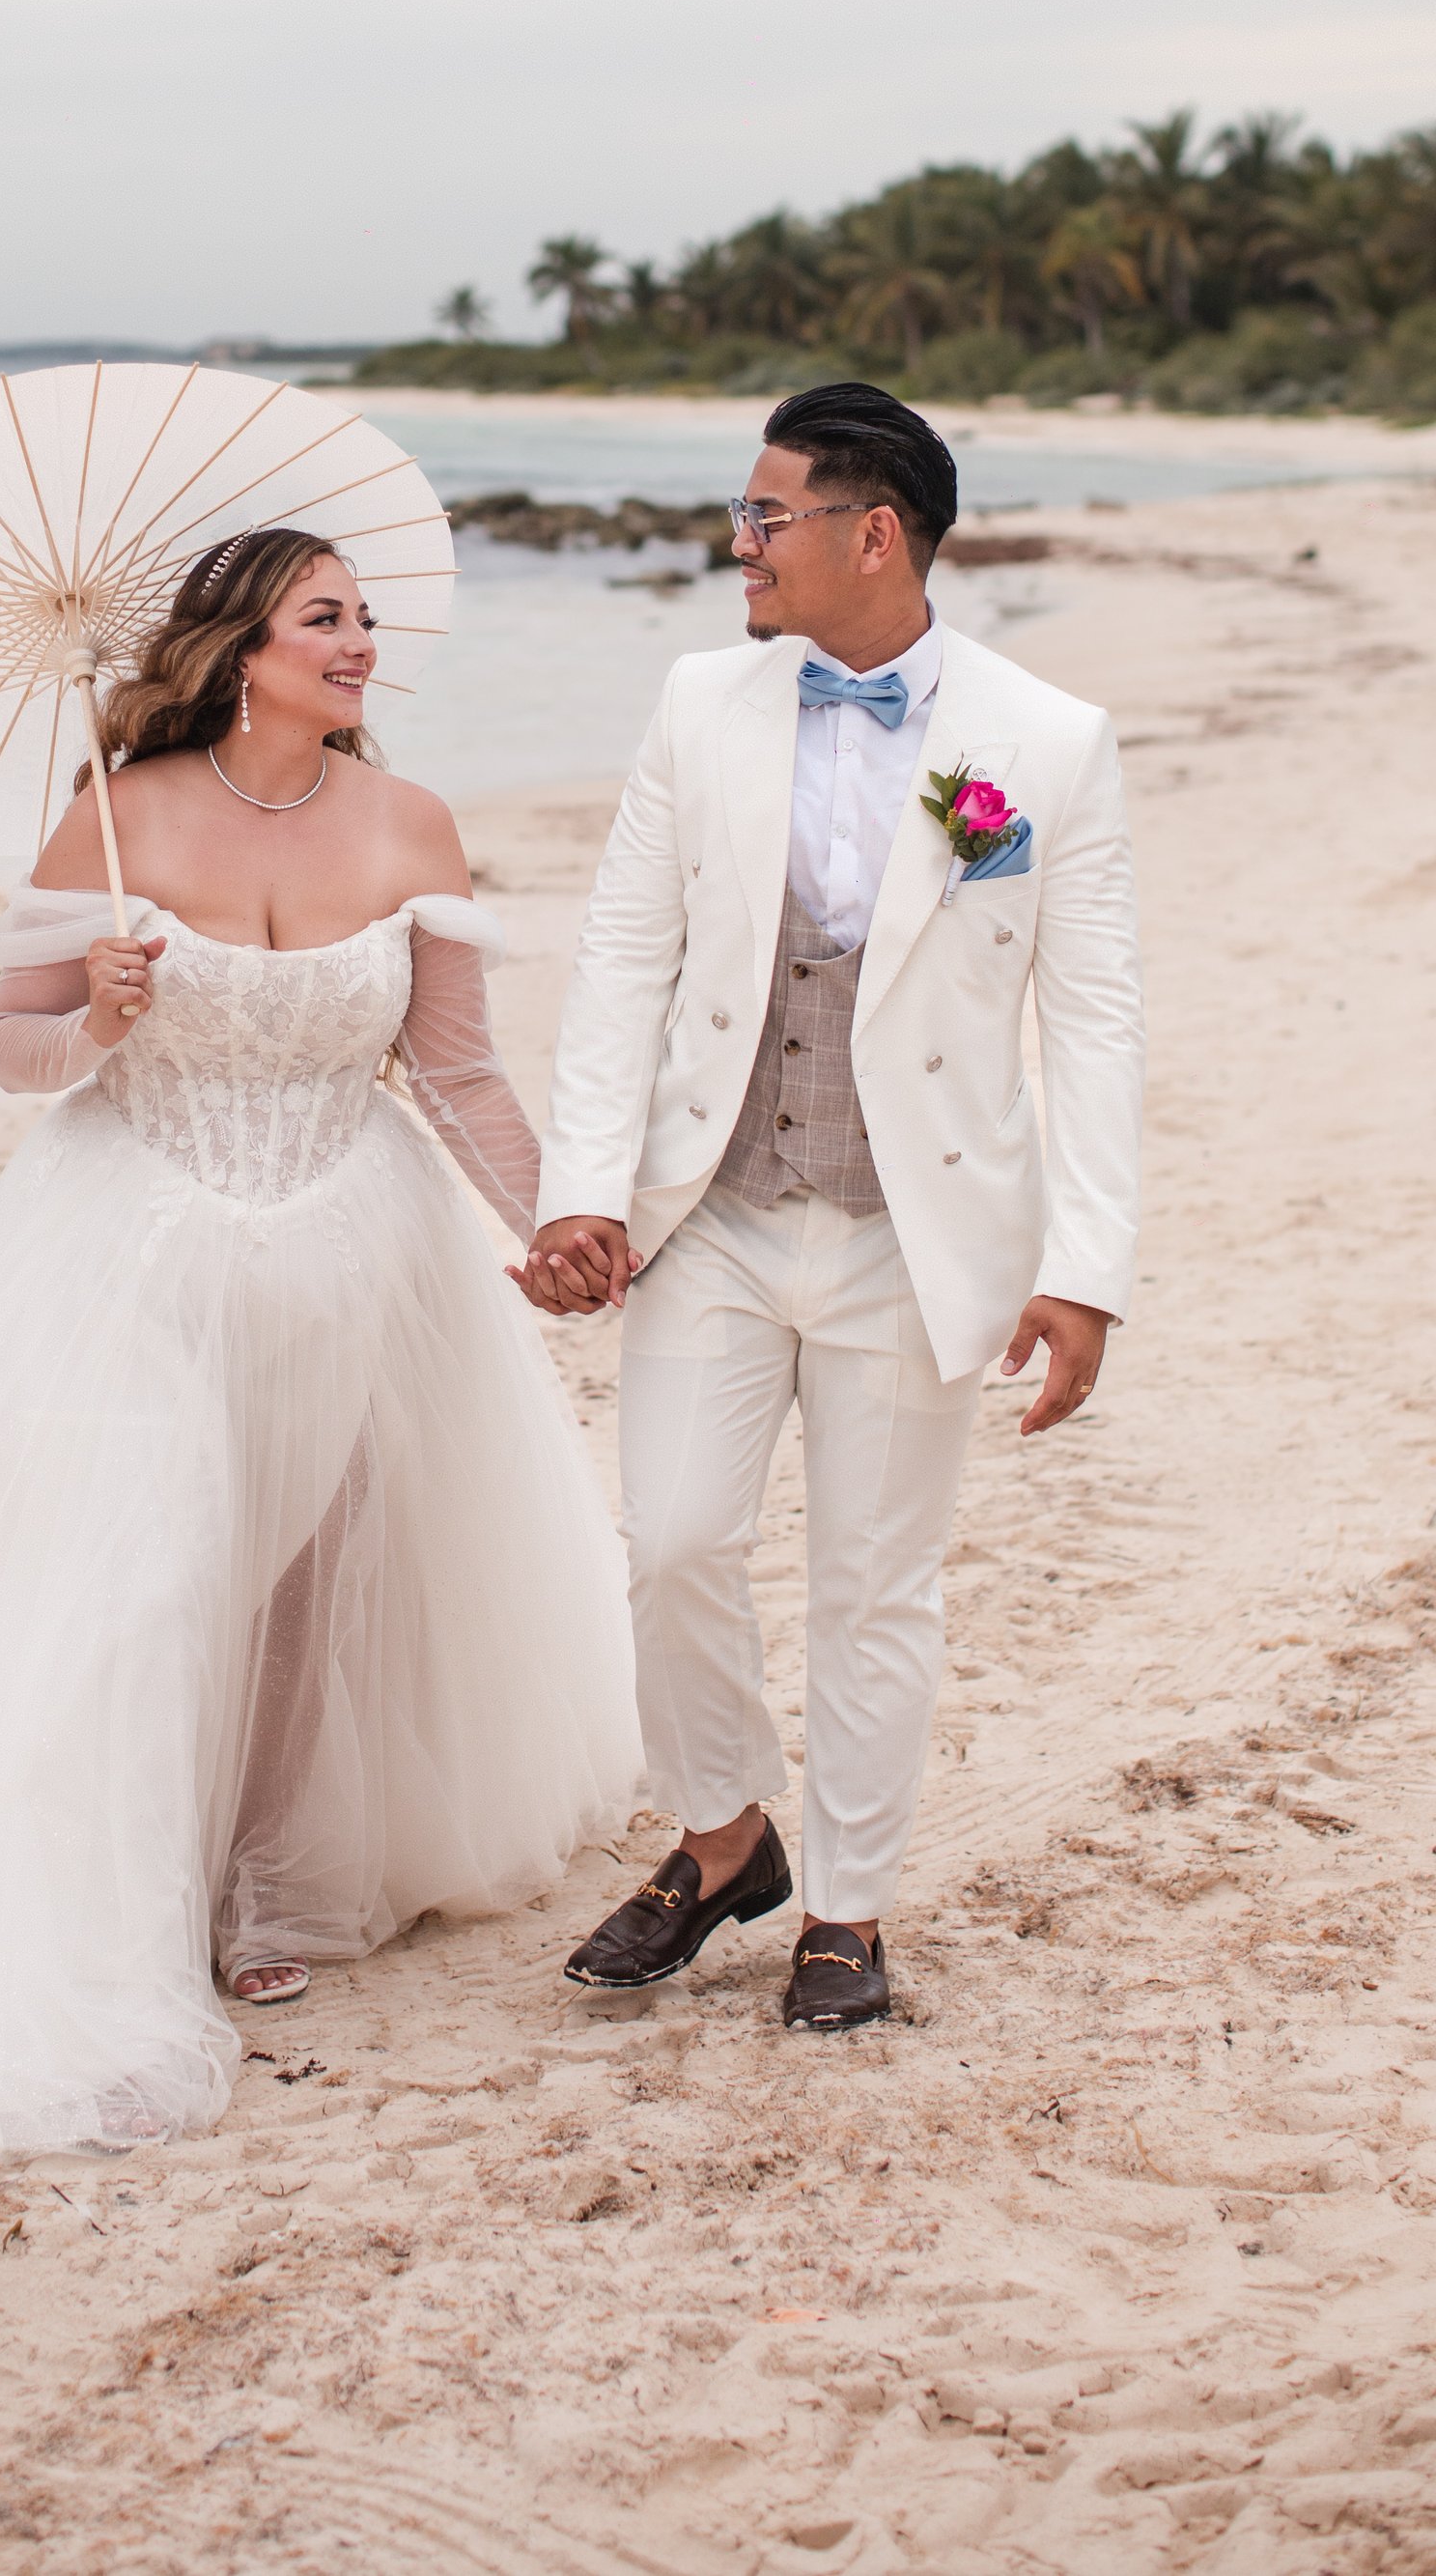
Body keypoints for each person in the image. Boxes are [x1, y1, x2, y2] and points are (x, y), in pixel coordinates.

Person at [0, 526, 640, 2155]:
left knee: (313, 1560)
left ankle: (267, 1880)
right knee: (148, 1559)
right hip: (131, 1237)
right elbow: (13, 1050)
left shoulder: (413, 824)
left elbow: (458, 1075)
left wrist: (552, 1218)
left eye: (364, 617)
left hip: (357, 1237)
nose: (361, 642)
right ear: (241, 646)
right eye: (324, 617)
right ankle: (120, 1892)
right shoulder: (116, 816)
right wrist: (103, 1018)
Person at [521, 383, 1142, 2032]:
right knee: (676, 1542)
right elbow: (620, 960)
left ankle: (849, 1909)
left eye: (765, 515)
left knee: (877, 1587)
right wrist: (584, 1186)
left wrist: (1086, 1269)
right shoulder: (697, 703)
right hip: (713, 1211)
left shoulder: (1048, 741)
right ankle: (727, 1833)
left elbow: (1091, 1022)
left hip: (917, 1234)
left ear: (876, 533)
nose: (739, 543)